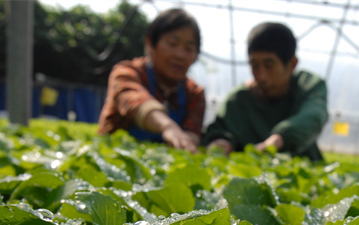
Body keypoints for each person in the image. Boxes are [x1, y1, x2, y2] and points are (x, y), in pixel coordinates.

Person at [202, 22, 328, 161]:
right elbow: (220, 129)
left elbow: (314, 115)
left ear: (292, 64)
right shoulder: (239, 99)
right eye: (254, 66)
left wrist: (277, 141)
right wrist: (221, 142)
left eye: (269, 66)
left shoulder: (308, 86)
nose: (261, 76)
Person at [97, 8, 204, 152]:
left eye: (189, 48)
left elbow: (192, 131)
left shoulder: (194, 93)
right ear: (150, 43)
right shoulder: (127, 73)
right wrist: (167, 126)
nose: (180, 55)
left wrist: (188, 140)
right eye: (173, 44)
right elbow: (134, 101)